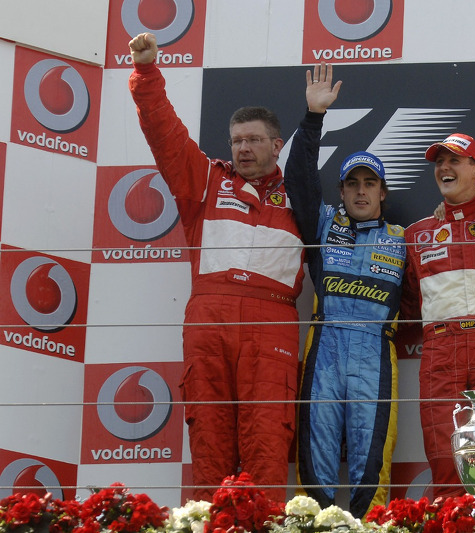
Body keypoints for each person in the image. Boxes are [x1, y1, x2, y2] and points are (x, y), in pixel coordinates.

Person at [128, 32, 304, 501]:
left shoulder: (304, 198)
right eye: (237, 140)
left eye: (254, 140)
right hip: (209, 318)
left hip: (273, 322)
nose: (243, 148)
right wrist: (146, 74)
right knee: (209, 441)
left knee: (268, 442)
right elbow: (164, 135)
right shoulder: (206, 180)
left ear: (277, 144)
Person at [282, 63, 404, 518]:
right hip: (326, 345)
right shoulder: (323, 222)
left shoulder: (402, 237)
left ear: (383, 192)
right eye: (352, 183)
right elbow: (297, 180)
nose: (360, 191)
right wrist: (313, 118)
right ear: (342, 190)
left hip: (375, 351)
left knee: (372, 463)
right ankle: (312, 526)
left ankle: (369, 527)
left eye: (369, 183)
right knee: (314, 457)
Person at [400, 134, 475, 511]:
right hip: (440, 351)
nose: (444, 168)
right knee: (444, 460)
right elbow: (407, 301)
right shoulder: (417, 233)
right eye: (439, 162)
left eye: (455, 161)